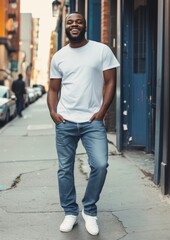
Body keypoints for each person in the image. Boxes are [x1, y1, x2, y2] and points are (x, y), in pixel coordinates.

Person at [47, 12, 120, 235]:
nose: (74, 25)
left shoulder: (101, 50)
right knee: (64, 170)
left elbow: (110, 82)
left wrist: (101, 112)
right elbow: (53, 89)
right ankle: (70, 212)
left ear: (85, 25)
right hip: (66, 121)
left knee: (99, 164)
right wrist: (53, 112)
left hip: (92, 121)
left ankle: (89, 210)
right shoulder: (59, 56)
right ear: (66, 27)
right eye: (70, 22)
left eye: (78, 21)